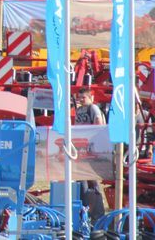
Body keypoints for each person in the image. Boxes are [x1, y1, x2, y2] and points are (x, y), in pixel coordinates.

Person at [74, 87, 106, 221]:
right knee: (81, 178)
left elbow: (99, 124)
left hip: (90, 149)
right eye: (79, 97)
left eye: (83, 97)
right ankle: (85, 208)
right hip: (80, 149)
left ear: (90, 97)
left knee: (92, 179)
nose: (81, 100)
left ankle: (97, 211)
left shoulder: (93, 108)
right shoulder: (79, 110)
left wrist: (93, 143)